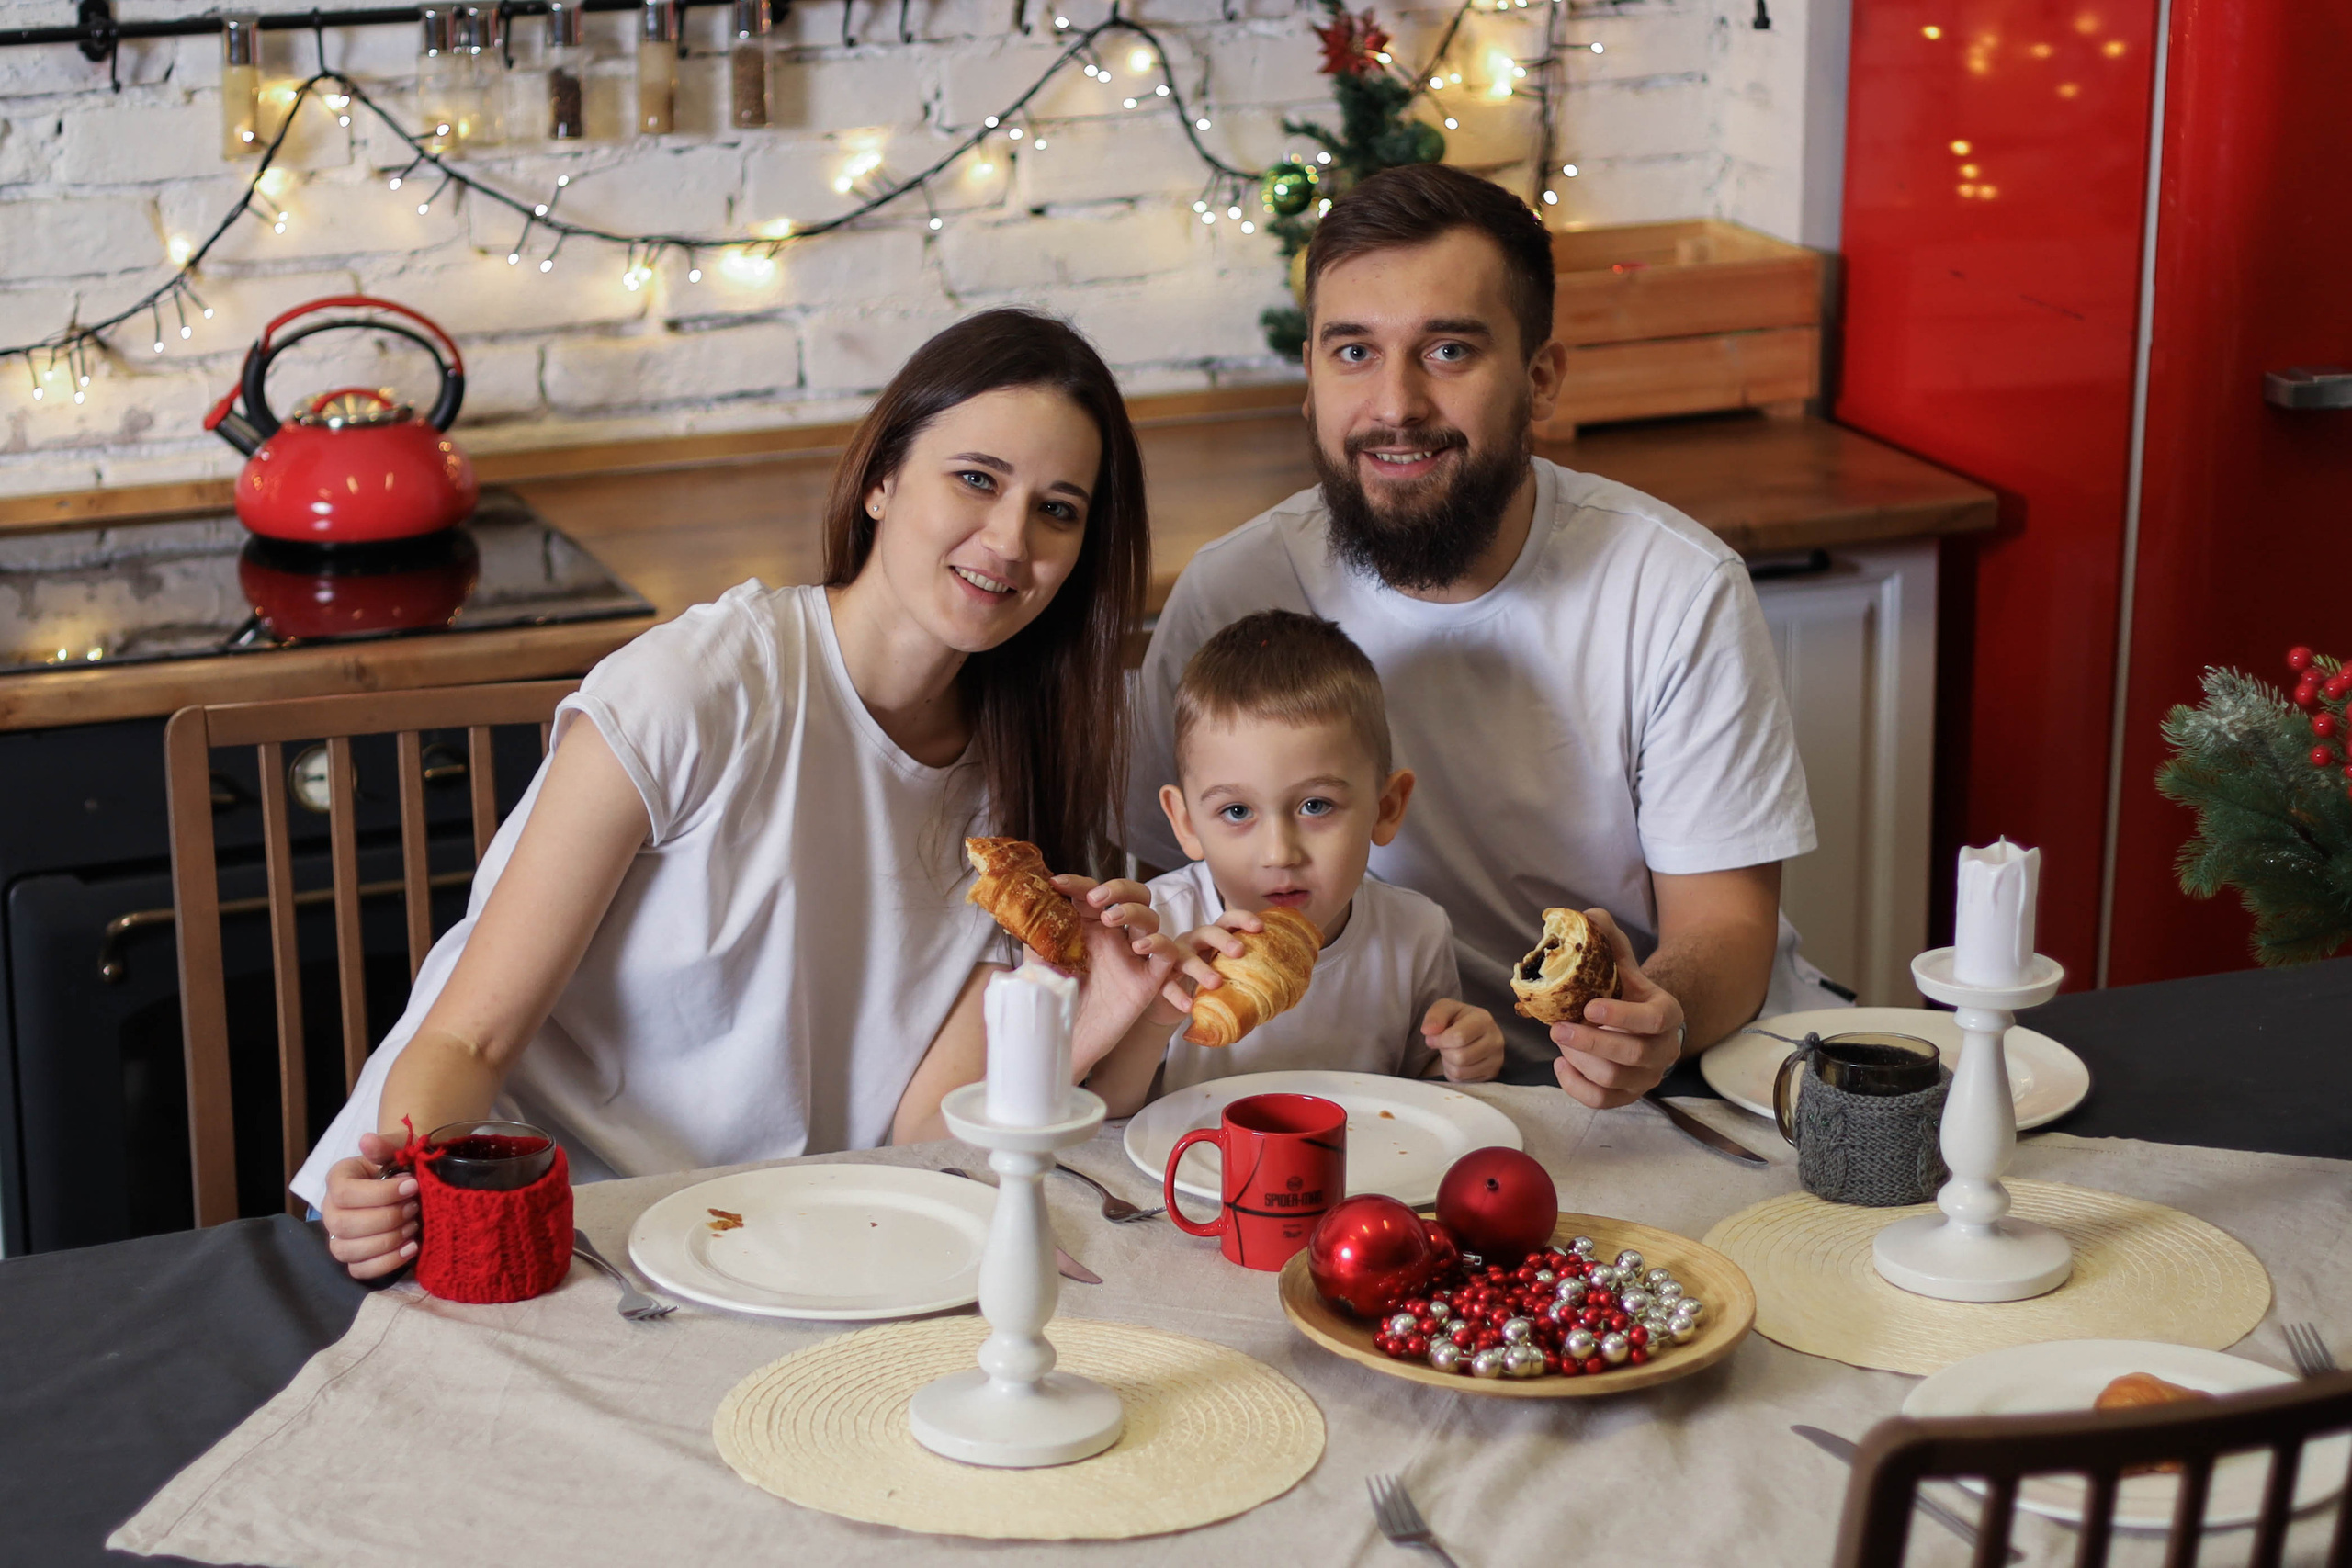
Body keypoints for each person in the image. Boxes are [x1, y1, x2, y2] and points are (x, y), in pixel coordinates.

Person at [300, 308, 1180, 1278]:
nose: (1010, 540)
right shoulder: (699, 688)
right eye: (976, 478)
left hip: (758, 1249)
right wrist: (421, 1185)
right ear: (882, 479)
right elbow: (468, 1036)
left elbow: (929, 1136)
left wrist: (1094, 1005)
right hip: (515, 1217)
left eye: (1057, 509)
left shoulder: (1022, 777)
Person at [1125, 164, 1838, 1111]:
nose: (1395, 405)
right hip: (1396, 1092)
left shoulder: (1670, 583)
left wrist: (1654, 1014)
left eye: (1449, 351)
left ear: (1538, 379)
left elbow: (1729, 928)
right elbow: (1169, 877)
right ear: (1308, 378)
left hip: (1666, 1084)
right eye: (1352, 353)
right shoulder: (1232, 590)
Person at [1088, 610, 1505, 1115]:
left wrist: (1462, 1059)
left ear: (1387, 808)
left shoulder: (1415, 933)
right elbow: (1106, 1109)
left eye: (1316, 806)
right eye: (1237, 811)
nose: (1279, 853)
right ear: (1187, 822)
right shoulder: (1162, 933)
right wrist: (1157, 1018)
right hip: (1189, 1178)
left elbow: (1422, 1093)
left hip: (1358, 1177)